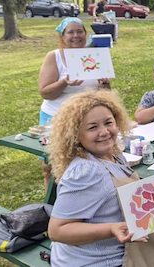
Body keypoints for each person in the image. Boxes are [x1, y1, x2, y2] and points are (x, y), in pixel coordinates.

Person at [47, 90, 154, 267]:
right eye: (92, 127)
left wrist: (152, 235)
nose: (104, 132)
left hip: (124, 246)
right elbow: (57, 230)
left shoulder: (114, 155)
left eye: (108, 123)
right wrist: (111, 228)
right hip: (96, 261)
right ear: (76, 135)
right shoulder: (86, 171)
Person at [38, 17, 110, 191]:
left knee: (88, 163)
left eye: (80, 31)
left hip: (86, 120)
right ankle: (52, 205)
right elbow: (45, 92)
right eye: (70, 32)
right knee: (52, 167)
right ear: (62, 37)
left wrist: (104, 86)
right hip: (56, 118)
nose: (76, 36)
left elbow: (105, 95)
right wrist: (64, 82)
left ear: (86, 34)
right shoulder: (54, 57)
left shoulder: (94, 57)